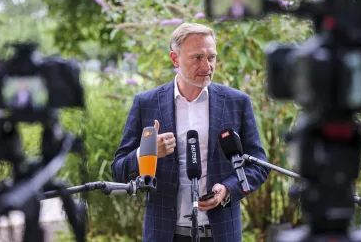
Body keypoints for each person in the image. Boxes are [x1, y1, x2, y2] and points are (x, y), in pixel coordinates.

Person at [111, 22, 270, 242]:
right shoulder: (146, 103)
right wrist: (148, 152)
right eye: (197, 58)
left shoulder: (236, 102)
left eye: (211, 57)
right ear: (175, 59)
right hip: (164, 234)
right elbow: (118, 170)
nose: (207, 66)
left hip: (221, 234)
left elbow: (259, 166)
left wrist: (227, 189)